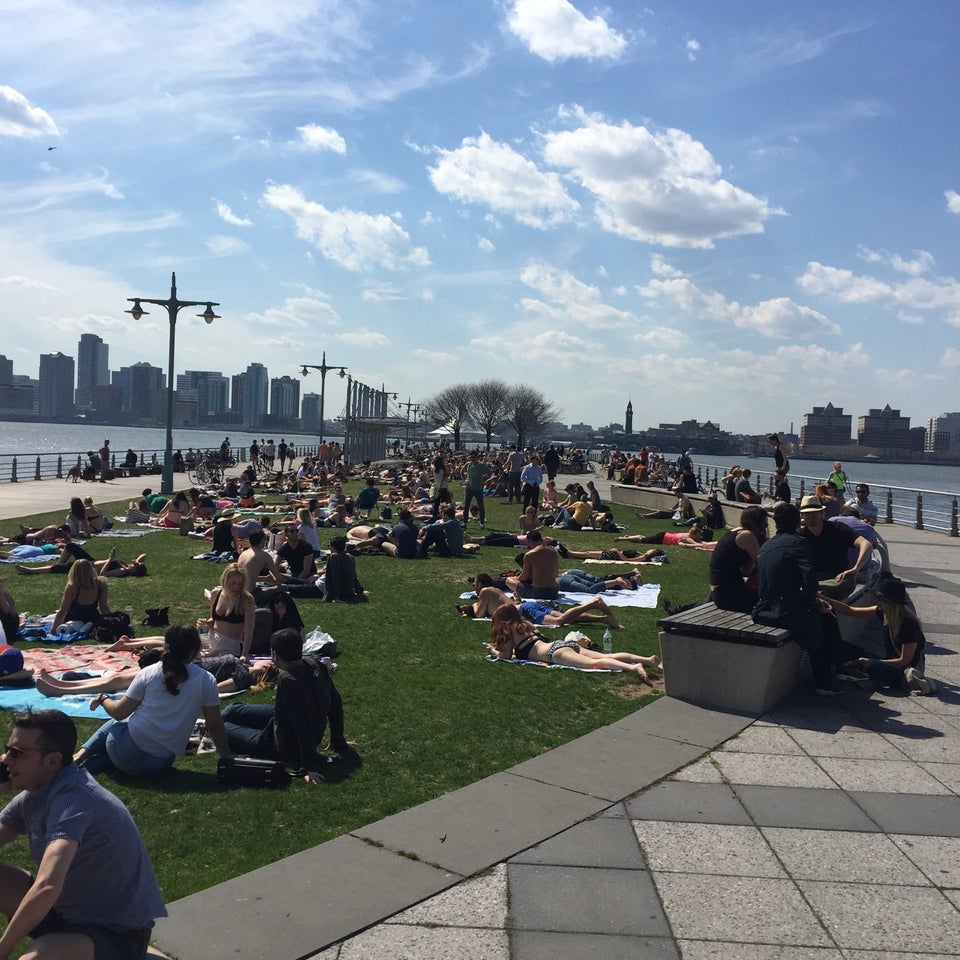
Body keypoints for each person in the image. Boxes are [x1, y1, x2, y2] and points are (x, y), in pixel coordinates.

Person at [0, 710, 167, 960]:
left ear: (53, 760)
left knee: (37, 957)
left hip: (117, 934)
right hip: (66, 914)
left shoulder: (75, 800)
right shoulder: (35, 795)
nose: (5, 760)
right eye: (7, 749)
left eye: (17, 753)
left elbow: (47, 885)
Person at [74, 624, 231, 775]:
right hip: (160, 764)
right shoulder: (207, 680)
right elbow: (215, 724)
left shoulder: (148, 673)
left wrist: (103, 698)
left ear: (166, 645)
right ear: (195, 650)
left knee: (119, 723)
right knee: (123, 746)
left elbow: (118, 713)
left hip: (125, 750)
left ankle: (79, 757)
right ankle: (85, 766)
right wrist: (226, 757)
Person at [753, 502, 858, 695]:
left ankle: (838, 666)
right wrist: (816, 602)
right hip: (784, 611)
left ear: (776, 524)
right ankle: (826, 680)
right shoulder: (800, 543)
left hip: (762, 611)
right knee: (824, 618)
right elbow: (809, 581)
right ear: (798, 523)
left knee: (817, 615)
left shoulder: (766, 545)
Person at [221, 628, 352, 783]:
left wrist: (308, 766)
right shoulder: (315, 664)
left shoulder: (288, 679)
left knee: (222, 729)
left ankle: (208, 724)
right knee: (233, 709)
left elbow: (301, 723)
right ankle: (214, 718)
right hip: (282, 719)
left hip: (282, 743)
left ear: (275, 655)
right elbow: (335, 703)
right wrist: (338, 739)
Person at [486, 605, 658, 683]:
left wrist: (493, 650)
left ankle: (634, 668)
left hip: (554, 653)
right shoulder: (526, 625)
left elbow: (506, 656)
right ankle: (648, 660)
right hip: (561, 644)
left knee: (594, 664)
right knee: (607, 656)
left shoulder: (509, 630)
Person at [826, 574, 935, 694]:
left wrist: (868, 661)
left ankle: (863, 671)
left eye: (879, 600)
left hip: (903, 669)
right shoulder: (883, 613)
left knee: (870, 665)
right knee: (842, 646)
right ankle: (852, 670)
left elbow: (904, 660)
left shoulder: (909, 624)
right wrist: (823, 598)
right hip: (889, 661)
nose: (876, 602)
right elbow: (851, 611)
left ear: (889, 603)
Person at [798, 495, 873, 599]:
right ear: (802, 515)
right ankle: (820, 596)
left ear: (821, 512)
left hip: (837, 577)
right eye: (807, 514)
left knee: (848, 582)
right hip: (814, 577)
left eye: (814, 512)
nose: (811, 516)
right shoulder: (800, 536)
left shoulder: (837, 528)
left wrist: (856, 569)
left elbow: (866, 544)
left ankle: (820, 597)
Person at [708, 505, 768, 613]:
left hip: (720, 591)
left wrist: (750, 558)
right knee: (770, 599)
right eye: (764, 523)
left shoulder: (734, 532)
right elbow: (764, 565)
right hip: (727, 594)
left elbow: (746, 571)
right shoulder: (747, 535)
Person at [201, 563, 256, 658]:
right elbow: (213, 620)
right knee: (187, 645)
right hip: (212, 637)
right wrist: (207, 622)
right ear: (225, 580)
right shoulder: (216, 593)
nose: (236, 587)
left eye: (240, 584)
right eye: (233, 583)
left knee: (203, 658)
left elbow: (249, 631)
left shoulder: (246, 599)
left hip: (231, 645)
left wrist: (244, 654)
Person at [51, 559, 110, 632]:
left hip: (73, 620)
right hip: (92, 618)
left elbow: (63, 611)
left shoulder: (72, 587)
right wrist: (110, 620)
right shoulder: (101, 584)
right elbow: (104, 608)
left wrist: (53, 631)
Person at [507, 530, 559, 599]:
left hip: (538, 593)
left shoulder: (530, 554)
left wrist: (516, 578)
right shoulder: (554, 553)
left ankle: (517, 591)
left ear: (530, 541)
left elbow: (524, 576)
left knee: (509, 580)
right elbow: (555, 575)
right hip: (553, 592)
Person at [323, 537, 366, 602]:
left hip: (338, 593)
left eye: (329, 546)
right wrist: (359, 591)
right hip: (348, 591)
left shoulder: (335, 556)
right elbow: (354, 576)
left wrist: (335, 597)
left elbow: (335, 577)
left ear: (333, 547)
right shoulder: (349, 556)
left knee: (302, 587)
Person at [462, 451, 491, 527]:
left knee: (481, 505)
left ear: (476, 457)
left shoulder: (482, 465)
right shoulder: (468, 464)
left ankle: (482, 522)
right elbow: (462, 471)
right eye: (471, 457)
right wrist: (465, 479)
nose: (472, 459)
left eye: (473, 457)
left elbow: (490, 472)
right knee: (466, 505)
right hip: (469, 488)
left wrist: (484, 478)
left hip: (478, 488)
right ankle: (465, 522)